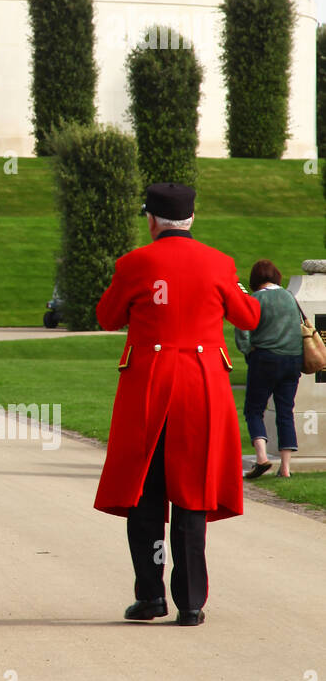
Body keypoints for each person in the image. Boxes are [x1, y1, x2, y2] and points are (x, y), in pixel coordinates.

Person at [94, 182, 261, 627]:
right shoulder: (219, 263)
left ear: (151, 219)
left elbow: (107, 316)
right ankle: (190, 601)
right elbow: (248, 317)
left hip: (149, 385)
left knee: (145, 495)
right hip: (202, 386)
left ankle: (150, 596)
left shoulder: (135, 263)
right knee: (192, 492)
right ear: (192, 218)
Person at [235, 259, 302, 480]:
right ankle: (285, 467)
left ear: (255, 280)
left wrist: (248, 352)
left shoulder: (255, 300)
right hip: (293, 359)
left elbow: (243, 332)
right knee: (285, 411)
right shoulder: (290, 298)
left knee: (254, 409)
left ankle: (262, 457)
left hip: (264, 358)